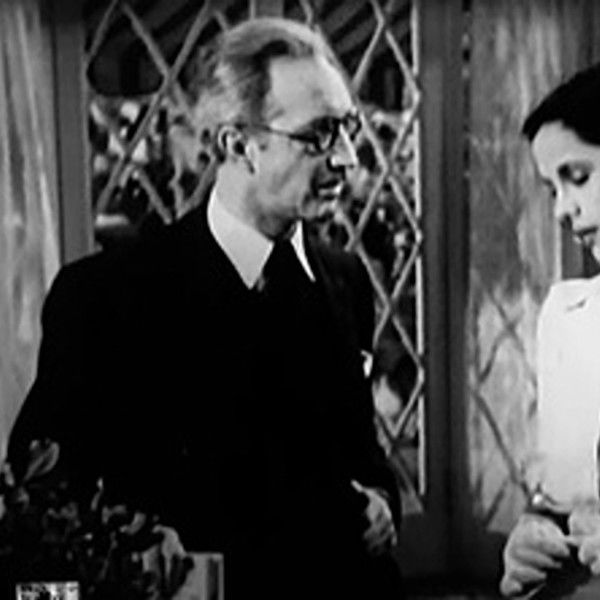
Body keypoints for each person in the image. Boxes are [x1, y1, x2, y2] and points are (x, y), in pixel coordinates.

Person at [8, 17, 402, 600]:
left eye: (348, 129)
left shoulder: (344, 280)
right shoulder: (106, 298)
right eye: (319, 135)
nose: (346, 159)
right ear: (236, 145)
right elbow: (42, 506)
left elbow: (362, 459)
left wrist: (381, 505)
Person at [500, 63, 600, 598]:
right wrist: (532, 536)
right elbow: (563, 497)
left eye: (578, 177)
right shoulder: (568, 316)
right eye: (551, 188)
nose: (563, 209)